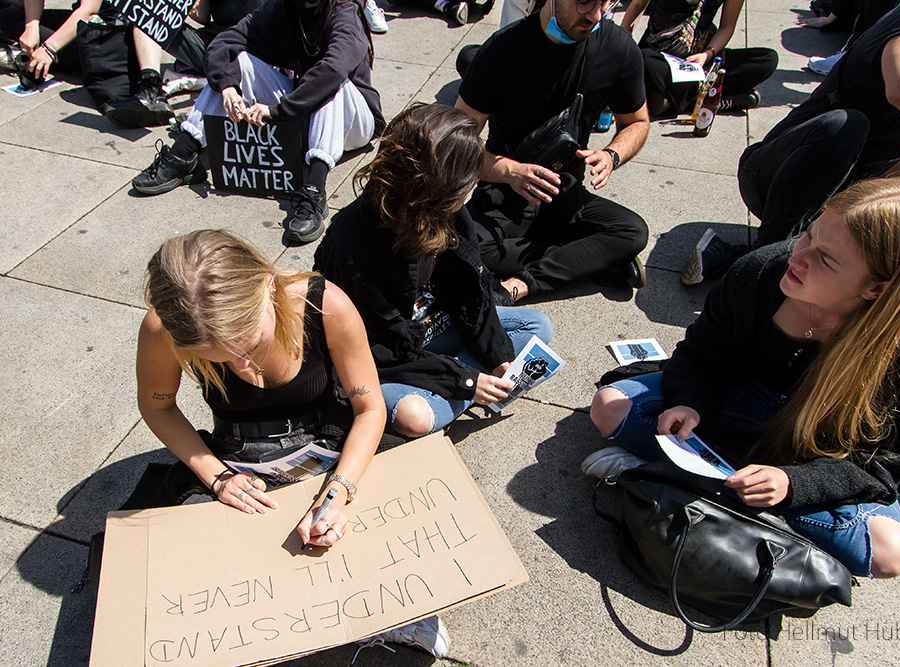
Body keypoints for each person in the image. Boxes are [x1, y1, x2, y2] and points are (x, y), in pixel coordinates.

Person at [586, 179, 900, 578]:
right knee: (611, 407)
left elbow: (893, 458)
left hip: (821, 450)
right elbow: (699, 353)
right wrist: (688, 401)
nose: (797, 257)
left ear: (876, 289)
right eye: (809, 234)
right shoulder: (762, 270)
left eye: (826, 259)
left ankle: (682, 482)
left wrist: (794, 484)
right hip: (729, 410)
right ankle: (732, 502)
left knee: (891, 553)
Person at [137, 230, 450, 658]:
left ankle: (396, 611)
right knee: (200, 561)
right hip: (237, 456)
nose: (242, 366)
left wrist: (340, 489)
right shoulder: (164, 327)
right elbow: (159, 407)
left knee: (384, 520)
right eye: (218, 360)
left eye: (250, 343)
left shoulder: (324, 304)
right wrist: (217, 477)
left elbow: (370, 409)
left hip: (330, 439)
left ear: (268, 287)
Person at [682, 0, 900, 285]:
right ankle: (761, 260)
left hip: (845, 196)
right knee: (847, 126)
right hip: (778, 175)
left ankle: (799, 255)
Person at [314, 103, 554, 437]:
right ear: (440, 186)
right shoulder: (353, 243)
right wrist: (466, 379)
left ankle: (460, 383)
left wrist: (497, 357)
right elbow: (379, 351)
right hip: (376, 357)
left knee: (538, 327)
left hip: (427, 332)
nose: (472, 187)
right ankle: (454, 386)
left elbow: (470, 293)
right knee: (414, 417)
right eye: (468, 180)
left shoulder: (442, 211)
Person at [130, 0, 385, 245]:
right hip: (304, 113)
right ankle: (183, 154)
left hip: (353, 122)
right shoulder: (282, 8)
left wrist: (277, 111)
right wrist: (227, 86)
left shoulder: (345, 11)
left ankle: (313, 190)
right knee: (239, 62)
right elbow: (225, 42)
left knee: (333, 84)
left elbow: (332, 69)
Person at [455, 0, 651, 302]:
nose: (594, 15)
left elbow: (637, 122)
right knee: (459, 246)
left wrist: (612, 155)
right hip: (506, 197)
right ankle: (591, 260)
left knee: (632, 231)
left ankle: (521, 285)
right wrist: (511, 171)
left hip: (565, 193)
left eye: (604, 2)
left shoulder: (617, 47)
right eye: (583, 2)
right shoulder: (502, 50)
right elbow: (456, 146)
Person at [104, 0, 265, 128]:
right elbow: (203, 16)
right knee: (146, 12)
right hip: (215, 45)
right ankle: (151, 90)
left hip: (253, 51)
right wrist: (187, 6)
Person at [621, 0, 778, 117]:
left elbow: (727, 27)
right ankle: (705, 99)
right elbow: (637, 6)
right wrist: (622, 42)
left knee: (766, 59)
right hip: (659, 54)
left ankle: (682, 98)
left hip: (700, 61)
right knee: (644, 59)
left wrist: (707, 54)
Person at [0, 0, 102, 79]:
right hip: (83, 22)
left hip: (106, 37)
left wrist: (48, 49)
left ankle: (35, 60)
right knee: (7, 17)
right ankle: (37, 57)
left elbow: (89, 11)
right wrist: (31, 27)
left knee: (84, 54)